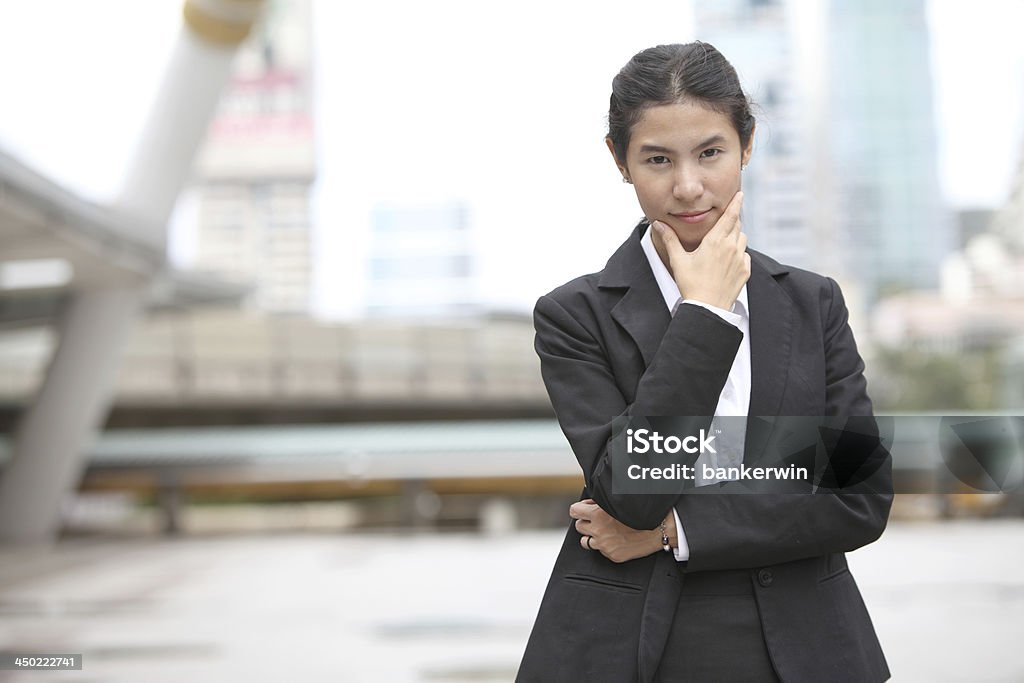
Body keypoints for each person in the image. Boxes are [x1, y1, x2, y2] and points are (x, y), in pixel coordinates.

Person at [516, 42, 892, 683]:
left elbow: (858, 497)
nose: (688, 186)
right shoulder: (573, 316)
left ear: (746, 145)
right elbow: (634, 489)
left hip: (811, 651)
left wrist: (674, 529)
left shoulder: (813, 302)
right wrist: (708, 316)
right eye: (657, 159)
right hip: (643, 651)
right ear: (620, 162)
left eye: (710, 153)